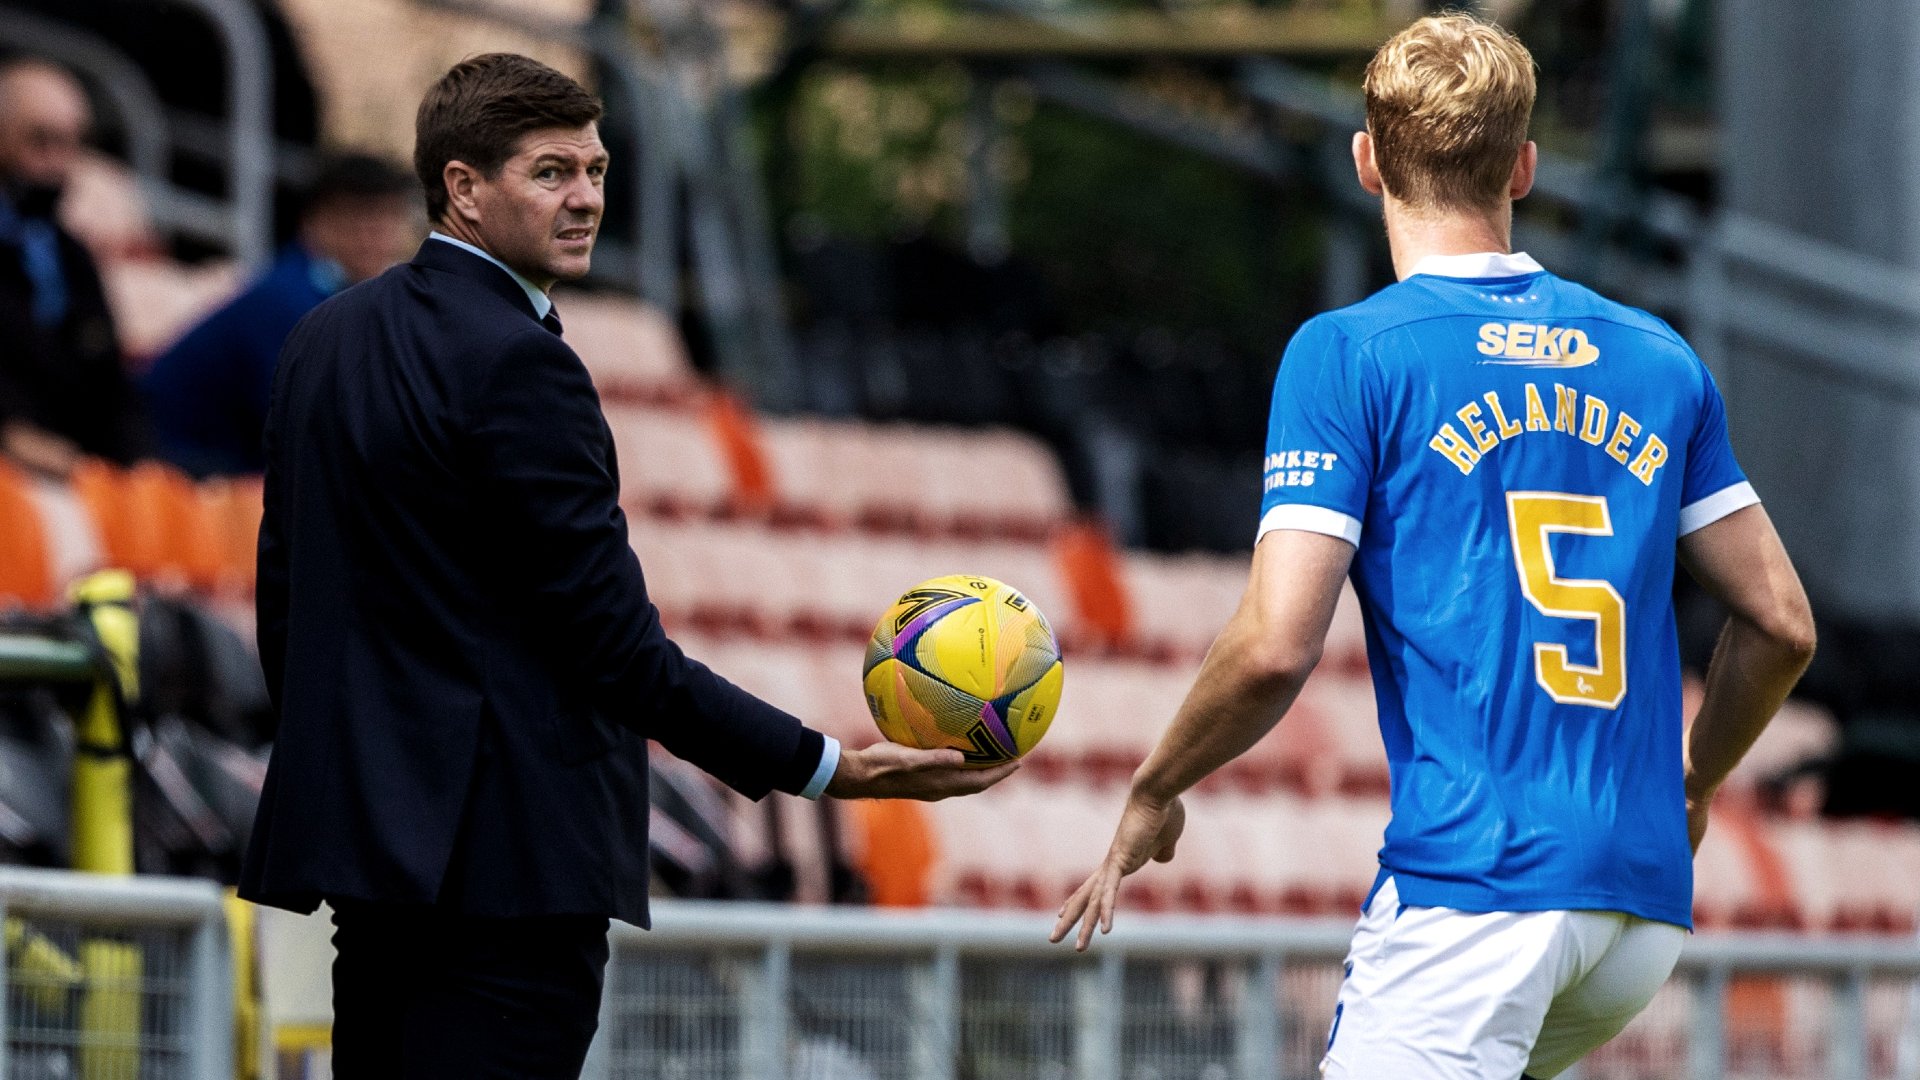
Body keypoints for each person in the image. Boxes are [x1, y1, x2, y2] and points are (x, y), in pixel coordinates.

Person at [1050, 15, 1816, 1080]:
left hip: (1480, 888)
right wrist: (1692, 781)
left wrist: (1155, 783)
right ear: (1525, 166)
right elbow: (1780, 623)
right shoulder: (1657, 359)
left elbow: (1276, 644)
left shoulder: (1352, 355)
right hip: (1637, 912)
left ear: (1367, 160)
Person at [237, 53, 1013, 1079]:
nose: (587, 198)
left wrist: (360, 789)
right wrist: (824, 767)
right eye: (550, 172)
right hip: (513, 882)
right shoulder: (524, 363)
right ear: (462, 189)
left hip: (375, 871)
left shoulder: (323, 338)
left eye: (596, 171)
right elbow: (615, 647)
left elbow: (285, 606)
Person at [143, 153, 416, 477]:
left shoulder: (357, 298)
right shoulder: (286, 301)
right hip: (169, 467)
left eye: (389, 218)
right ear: (315, 222)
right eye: (361, 218)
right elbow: (309, 434)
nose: (377, 236)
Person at [0, 57, 144, 477]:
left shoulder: (71, 255)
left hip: (70, 474)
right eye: (40, 141)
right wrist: (7, 431)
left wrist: (137, 467)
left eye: (71, 143)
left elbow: (110, 382)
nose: (58, 163)